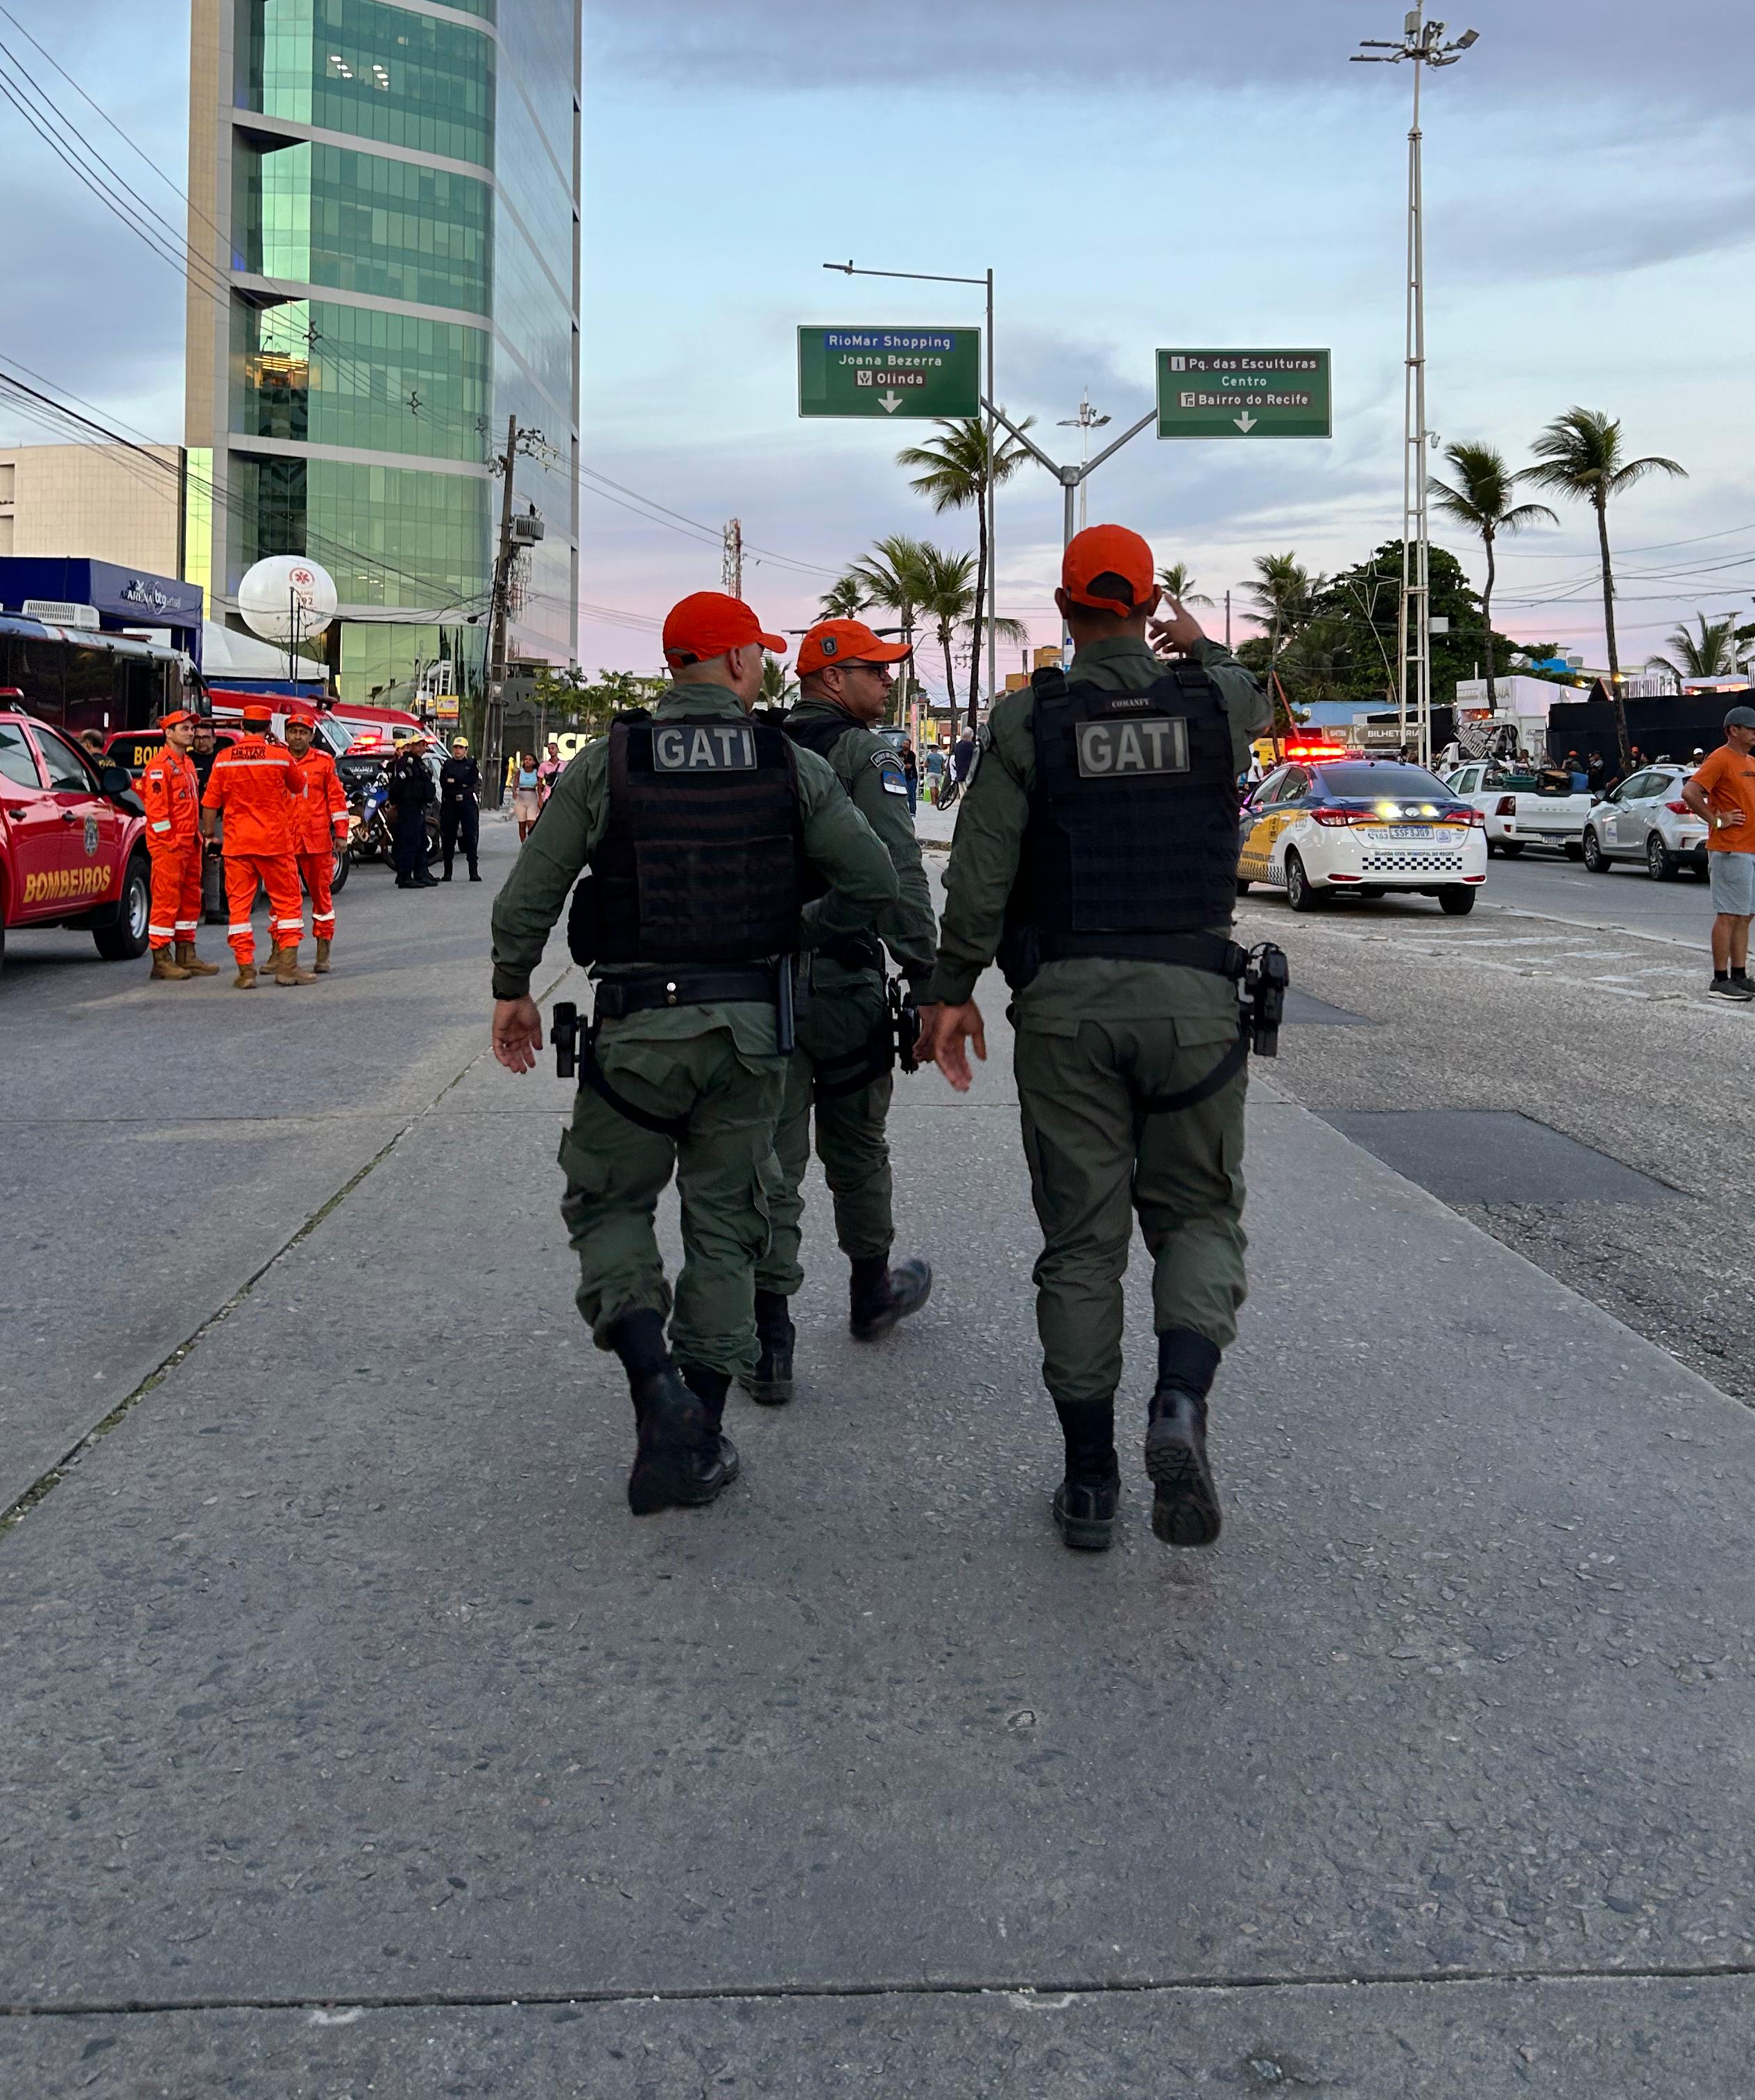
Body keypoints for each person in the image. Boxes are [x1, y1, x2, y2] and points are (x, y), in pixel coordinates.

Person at [490, 591, 899, 1517]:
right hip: (750, 1036)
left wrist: (511, 987)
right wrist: (799, 929)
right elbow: (873, 879)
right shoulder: (786, 763)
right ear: (738, 663)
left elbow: (532, 890)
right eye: (758, 651)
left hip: (634, 1031)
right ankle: (699, 1438)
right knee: (726, 1226)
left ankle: (653, 1391)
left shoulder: (610, 761)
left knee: (608, 1205)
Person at [922, 524, 1271, 1556]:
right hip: (1194, 1001)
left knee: (1082, 1245)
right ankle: (1178, 1403)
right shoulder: (1217, 700)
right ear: (1148, 602)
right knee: (1200, 1215)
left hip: (1066, 1007)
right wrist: (1194, 641)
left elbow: (981, 871)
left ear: (1067, 609)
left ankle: (1088, 1482)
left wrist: (952, 989)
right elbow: (1240, 672)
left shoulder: (1033, 718)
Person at [746, 619, 940, 1405]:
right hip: (843, 984)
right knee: (857, 1145)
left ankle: (769, 1340)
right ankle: (870, 1296)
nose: (887, 682)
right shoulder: (868, 754)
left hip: (761, 984)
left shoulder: (758, 746)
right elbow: (896, 868)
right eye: (874, 670)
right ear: (830, 678)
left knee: (772, 1160)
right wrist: (925, 974)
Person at [1685, 704, 1755, 999]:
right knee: (1729, 915)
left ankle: (1740, 975)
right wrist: (1717, 820)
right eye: (1752, 728)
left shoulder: (1753, 763)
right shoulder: (1720, 759)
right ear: (1734, 730)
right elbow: (1690, 793)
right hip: (1730, 849)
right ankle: (1720, 980)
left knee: (1745, 915)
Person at [200, 701, 311, 988]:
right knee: (287, 904)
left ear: (241, 726)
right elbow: (298, 786)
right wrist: (280, 749)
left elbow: (210, 803)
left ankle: (246, 970)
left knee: (238, 908)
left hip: (237, 845)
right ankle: (287, 968)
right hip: (275, 843)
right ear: (268, 728)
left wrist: (210, 835)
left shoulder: (224, 759)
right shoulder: (279, 756)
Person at [139, 708, 219, 980]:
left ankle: (187, 954)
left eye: (191, 728)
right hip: (170, 847)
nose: (191, 733)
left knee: (189, 901)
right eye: (184, 729)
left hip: (189, 843)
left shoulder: (185, 764)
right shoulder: (160, 767)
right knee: (165, 902)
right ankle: (161, 959)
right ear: (168, 733)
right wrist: (169, 842)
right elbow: (157, 812)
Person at [284, 709, 350, 972]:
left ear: (311, 736)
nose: (298, 737)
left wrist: (342, 834)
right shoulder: (278, 761)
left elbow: (336, 800)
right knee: (284, 900)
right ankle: (282, 953)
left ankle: (323, 953)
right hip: (285, 841)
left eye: (303, 732)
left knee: (322, 900)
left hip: (317, 840)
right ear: (286, 734)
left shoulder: (324, 762)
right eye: (293, 731)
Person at [388, 739, 438, 888]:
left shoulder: (419, 763)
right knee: (409, 842)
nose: (423, 748)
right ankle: (405, 877)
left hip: (419, 807)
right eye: (420, 745)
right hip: (408, 807)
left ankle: (420, 873)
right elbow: (398, 786)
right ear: (412, 746)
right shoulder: (407, 763)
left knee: (421, 842)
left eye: (424, 745)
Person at [439, 737, 483, 883]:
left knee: (470, 837)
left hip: (467, 803)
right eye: (455, 748)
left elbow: (470, 780)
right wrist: (459, 782)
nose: (457, 751)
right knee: (449, 838)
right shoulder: (447, 764)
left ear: (466, 750)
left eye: (460, 748)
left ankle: (473, 871)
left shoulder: (471, 764)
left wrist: (456, 781)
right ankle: (448, 872)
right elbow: (445, 782)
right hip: (450, 803)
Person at [511, 752, 543, 841]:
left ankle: (531, 843)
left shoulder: (537, 772)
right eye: (526, 759)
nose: (527, 761)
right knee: (522, 824)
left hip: (532, 798)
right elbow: (515, 785)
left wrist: (541, 788)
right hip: (521, 799)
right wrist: (514, 792)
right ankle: (523, 845)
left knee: (531, 823)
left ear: (534, 762)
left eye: (530, 760)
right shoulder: (520, 772)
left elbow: (541, 787)